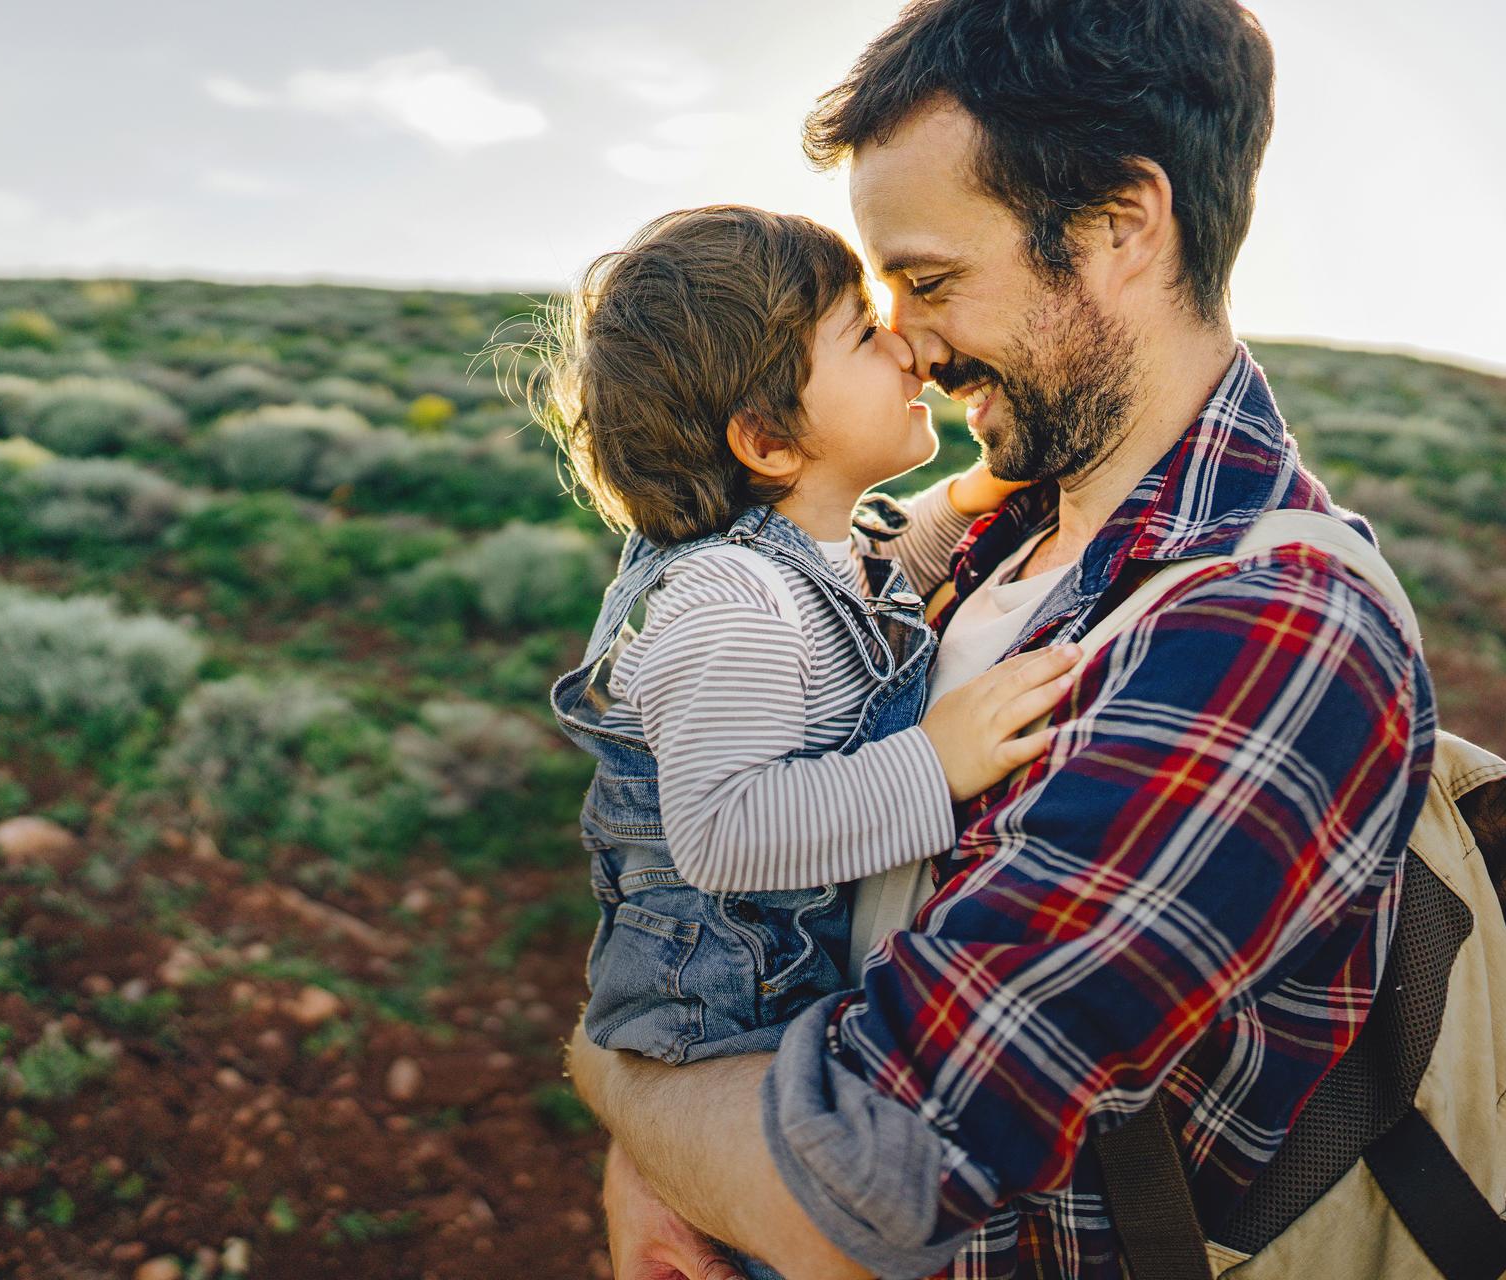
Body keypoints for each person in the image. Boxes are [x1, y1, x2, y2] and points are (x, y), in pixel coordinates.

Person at [565, 2, 1441, 1277]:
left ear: (1118, 227)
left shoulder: (1274, 629)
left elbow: (857, 1192)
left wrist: (621, 1084)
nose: (908, 341)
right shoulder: (1010, 520)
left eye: (927, 281)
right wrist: (680, 1154)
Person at [532, 205, 1084, 1276]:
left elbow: (875, 569)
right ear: (771, 438)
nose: (908, 347)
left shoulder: (802, 551)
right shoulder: (728, 603)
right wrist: (937, 760)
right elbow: (726, 833)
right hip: (726, 1007)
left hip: (768, 980)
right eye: (863, 334)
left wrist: (969, 496)